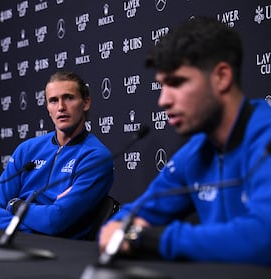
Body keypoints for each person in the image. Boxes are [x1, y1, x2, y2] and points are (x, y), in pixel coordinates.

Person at [98, 16, 271, 265]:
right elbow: (130, 216)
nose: (163, 100)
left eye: (176, 83)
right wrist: (122, 227)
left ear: (222, 77)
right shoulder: (196, 152)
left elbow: (263, 240)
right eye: (161, 85)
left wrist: (146, 238)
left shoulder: (265, 137)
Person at [0, 71, 114, 239]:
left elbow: (55, 221)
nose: (61, 107)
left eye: (69, 98)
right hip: (17, 240)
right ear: (47, 108)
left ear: (86, 103)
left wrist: (15, 205)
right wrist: (29, 231)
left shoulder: (95, 157)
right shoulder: (26, 150)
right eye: (53, 100)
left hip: (61, 252)